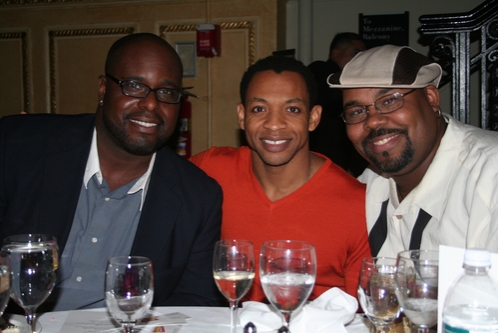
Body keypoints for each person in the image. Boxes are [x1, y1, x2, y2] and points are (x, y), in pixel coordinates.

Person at [0, 33, 224, 311]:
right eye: (134, 86)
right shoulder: (19, 148)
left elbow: (195, 304)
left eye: (167, 92)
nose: (152, 104)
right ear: (103, 89)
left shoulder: (198, 197)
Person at [190, 56, 371, 302]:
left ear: (313, 118)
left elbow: (363, 315)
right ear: (242, 116)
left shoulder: (356, 204)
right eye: (259, 109)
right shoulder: (208, 170)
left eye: (292, 109)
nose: (274, 124)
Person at [327, 45, 498, 257]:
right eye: (356, 112)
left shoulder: (490, 176)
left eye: (389, 100)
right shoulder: (369, 186)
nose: (372, 121)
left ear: (431, 98)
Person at [308, 32, 367, 176]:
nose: (360, 59)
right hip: (321, 158)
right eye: (356, 53)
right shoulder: (321, 71)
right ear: (336, 53)